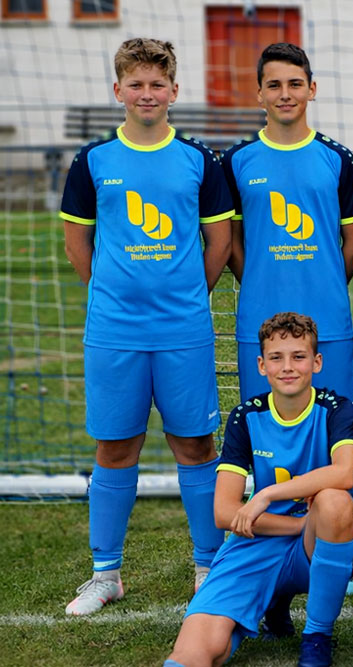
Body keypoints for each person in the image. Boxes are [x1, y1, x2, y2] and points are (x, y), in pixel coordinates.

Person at [59, 37, 231, 615]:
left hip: (183, 330)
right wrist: (112, 292)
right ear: (119, 90)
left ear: (174, 91)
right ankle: (106, 574)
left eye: (158, 84)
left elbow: (219, 242)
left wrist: (186, 294)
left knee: (195, 443)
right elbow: (77, 243)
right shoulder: (93, 160)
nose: (147, 93)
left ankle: (208, 567)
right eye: (136, 84)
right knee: (115, 447)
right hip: (115, 331)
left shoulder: (199, 159)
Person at [164, 312, 353, 667]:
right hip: (257, 543)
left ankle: (316, 637)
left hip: (315, 542)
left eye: (298, 356)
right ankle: (272, 603)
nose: (287, 367)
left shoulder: (336, 408)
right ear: (261, 365)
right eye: (276, 357)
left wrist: (266, 495)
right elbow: (224, 513)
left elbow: (345, 472)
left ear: (316, 362)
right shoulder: (245, 417)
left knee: (335, 502)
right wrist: (297, 523)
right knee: (194, 653)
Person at [224, 42, 353, 409]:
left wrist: (326, 280)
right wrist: (258, 280)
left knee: (333, 429)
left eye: (295, 84)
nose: (285, 94)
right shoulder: (236, 161)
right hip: (259, 320)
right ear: (259, 93)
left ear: (311, 89)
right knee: (264, 431)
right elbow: (230, 243)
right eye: (274, 85)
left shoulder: (338, 159)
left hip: (327, 321)